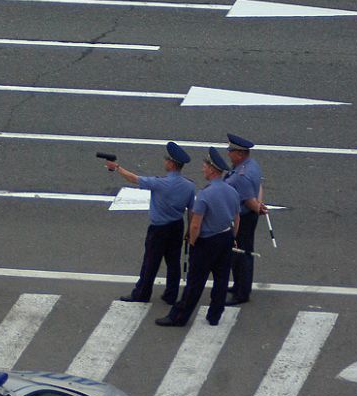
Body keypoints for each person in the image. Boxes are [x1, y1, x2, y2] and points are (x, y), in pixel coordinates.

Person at [156, 147, 240, 328]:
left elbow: (195, 224)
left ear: (212, 169)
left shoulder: (205, 195)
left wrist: (193, 241)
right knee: (221, 279)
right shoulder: (232, 191)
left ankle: (179, 317)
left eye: (204, 166)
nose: (203, 169)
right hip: (225, 237)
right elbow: (236, 217)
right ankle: (215, 315)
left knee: (194, 283)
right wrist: (233, 236)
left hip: (206, 242)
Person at [106, 142, 196, 304]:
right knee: (173, 262)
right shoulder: (189, 186)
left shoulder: (159, 183)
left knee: (150, 262)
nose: (164, 162)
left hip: (158, 229)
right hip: (177, 226)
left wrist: (117, 167)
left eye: (166, 160)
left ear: (171, 164)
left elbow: (134, 179)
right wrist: (189, 230)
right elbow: (191, 210)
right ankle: (171, 294)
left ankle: (142, 293)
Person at [224, 133, 268, 305]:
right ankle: (239, 285)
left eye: (231, 151)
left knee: (241, 253)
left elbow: (248, 200)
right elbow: (258, 187)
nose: (229, 154)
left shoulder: (241, 175)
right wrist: (260, 204)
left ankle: (242, 292)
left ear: (240, 154)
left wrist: (257, 207)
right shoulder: (252, 165)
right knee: (241, 252)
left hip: (243, 217)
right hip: (248, 215)